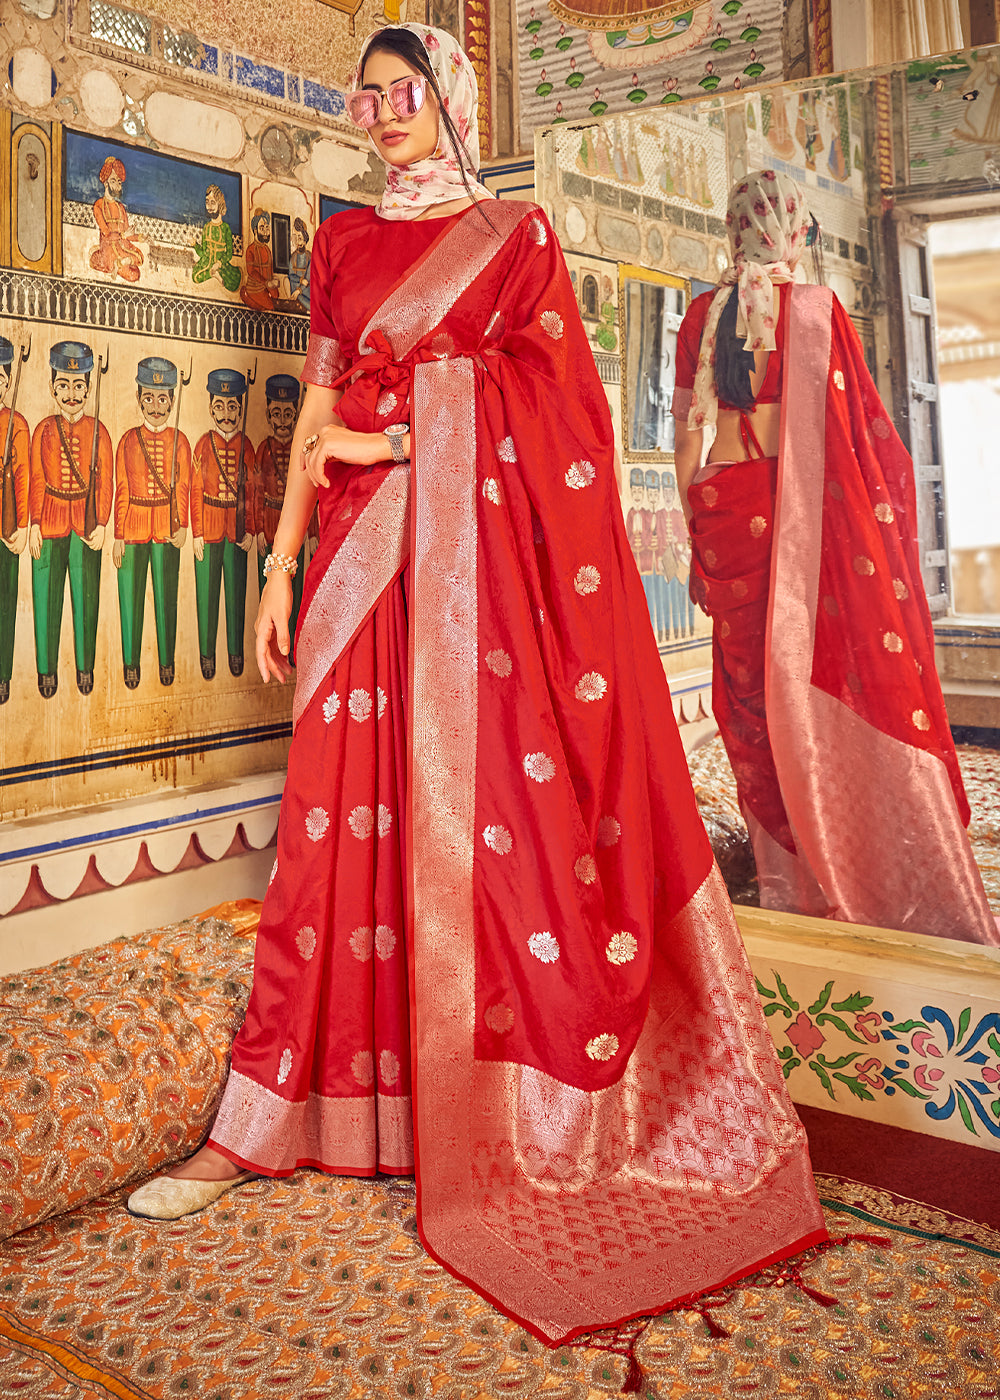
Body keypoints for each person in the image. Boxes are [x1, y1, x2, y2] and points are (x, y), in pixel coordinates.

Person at [127, 29, 826, 1345]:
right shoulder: (342, 248)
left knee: (484, 829)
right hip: (354, 562)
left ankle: (481, 1118)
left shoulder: (516, 237)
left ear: (450, 96)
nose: (384, 114)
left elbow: (558, 408)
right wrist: (280, 567)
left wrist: (407, 430)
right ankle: (265, 1121)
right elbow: (315, 421)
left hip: (477, 583)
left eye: (406, 93)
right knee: (328, 839)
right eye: (368, 95)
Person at [673, 169, 998, 945]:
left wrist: (696, 528)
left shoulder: (702, 314)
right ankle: (841, 857)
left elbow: (688, 440)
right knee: (819, 674)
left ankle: (783, 870)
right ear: (796, 233)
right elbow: (858, 446)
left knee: (751, 694)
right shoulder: (816, 310)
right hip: (800, 521)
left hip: (725, 508)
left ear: (732, 231)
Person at [29, 341, 112, 698]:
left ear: (89, 388)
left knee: (86, 601)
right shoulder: (44, 429)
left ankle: (85, 669)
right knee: (45, 600)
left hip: (85, 524)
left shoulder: (99, 431)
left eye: (79, 385)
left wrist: (104, 524)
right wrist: (32, 522)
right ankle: (46, 671)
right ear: (52, 387)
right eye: (63, 384)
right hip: (48, 522)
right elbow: (35, 477)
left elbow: (106, 480)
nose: (71, 393)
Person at [113, 357, 190, 688]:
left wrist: (183, 524)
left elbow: (185, 484)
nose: (156, 406)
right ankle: (130, 662)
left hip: (166, 528)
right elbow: (121, 488)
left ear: (172, 400)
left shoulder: (181, 441)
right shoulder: (129, 440)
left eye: (162, 398)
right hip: (132, 527)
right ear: (138, 398)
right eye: (149, 397)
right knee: (129, 600)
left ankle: (166, 662)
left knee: (165, 599)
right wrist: (118, 534)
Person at [190, 369, 255, 679]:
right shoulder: (203, 444)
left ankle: (235, 654)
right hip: (210, 527)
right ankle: (206, 654)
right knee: (207, 595)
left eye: (232, 407)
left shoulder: (247, 445)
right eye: (220, 406)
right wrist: (197, 533)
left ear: (240, 409)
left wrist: (252, 529)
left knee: (236, 595)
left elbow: (253, 490)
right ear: (210, 406)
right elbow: (194, 491)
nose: (226, 414)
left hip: (237, 530)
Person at [0, 338, 30, 706]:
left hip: (6, 526)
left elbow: (22, 478)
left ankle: (3, 674)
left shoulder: (17, 423)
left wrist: (21, 525)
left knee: (5, 602)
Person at [89, 156, 143, 284]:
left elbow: (127, 235)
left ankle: (121, 263)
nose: (118, 185)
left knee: (140, 258)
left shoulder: (120, 208)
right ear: (106, 183)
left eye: (119, 181)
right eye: (113, 181)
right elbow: (106, 233)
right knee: (132, 275)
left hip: (121, 247)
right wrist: (123, 235)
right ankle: (115, 263)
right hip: (108, 249)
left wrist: (141, 238)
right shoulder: (99, 205)